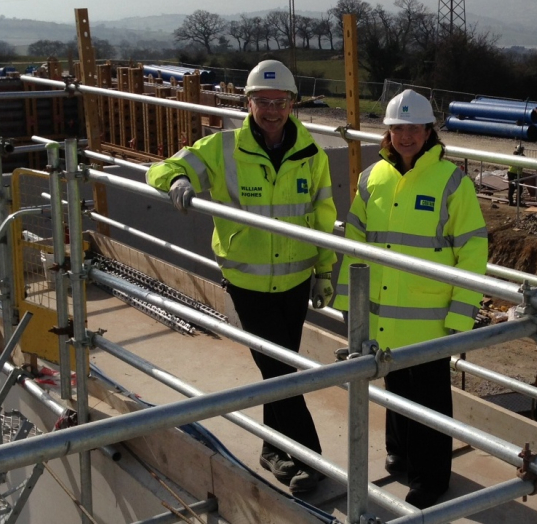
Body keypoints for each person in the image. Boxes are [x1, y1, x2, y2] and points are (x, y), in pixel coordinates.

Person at [146, 59, 336, 495]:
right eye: (263, 102)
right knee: (281, 369)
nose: (272, 111)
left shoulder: (312, 152)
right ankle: (310, 458)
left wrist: (324, 271)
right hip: (248, 281)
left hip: (295, 279)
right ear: (248, 102)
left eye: (280, 102)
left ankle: (273, 450)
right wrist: (177, 181)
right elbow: (161, 168)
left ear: (292, 103)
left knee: (279, 366)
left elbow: (323, 217)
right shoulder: (223, 147)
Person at [333, 89, 488, 509]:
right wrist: (350, 307)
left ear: (428, 131)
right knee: (395, 386)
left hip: (429, 319)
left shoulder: (451, 181)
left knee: (429, 400)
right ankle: (399, 453)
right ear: (388, 131)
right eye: (398, 128)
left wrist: (460, 317)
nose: (406, 136)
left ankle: (431, 479)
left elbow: (473, 250)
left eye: (414, 128)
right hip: (383, 315)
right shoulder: (372, 179)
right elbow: (354, 244)